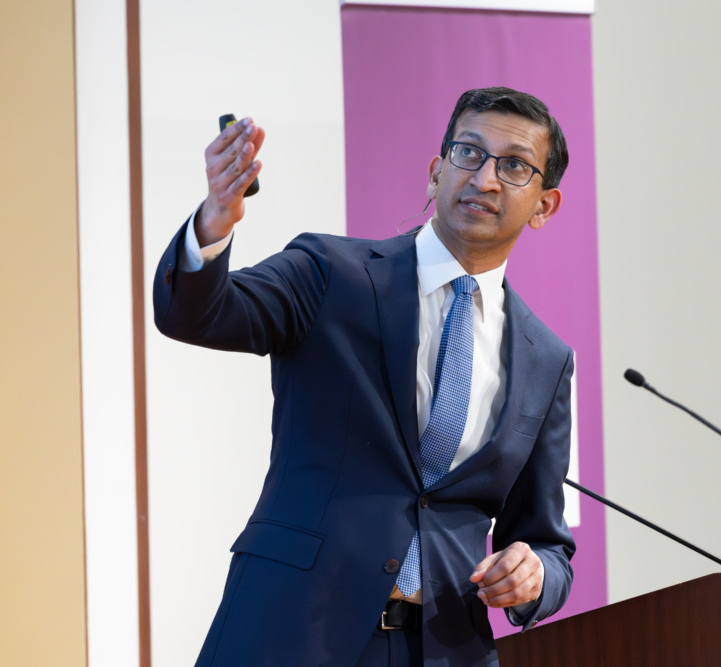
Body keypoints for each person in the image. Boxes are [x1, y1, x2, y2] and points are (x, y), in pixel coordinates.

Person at [153, 87, 575, 666]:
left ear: (545, 206)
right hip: (292, 630)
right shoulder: (331, 273)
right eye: (469, 154)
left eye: (514, 166)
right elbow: (197, 313)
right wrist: (213, 224)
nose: (484, 178)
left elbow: (547, 540)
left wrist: (536, 575)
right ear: (436, 173)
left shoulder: (546, 359)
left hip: (443, 648)